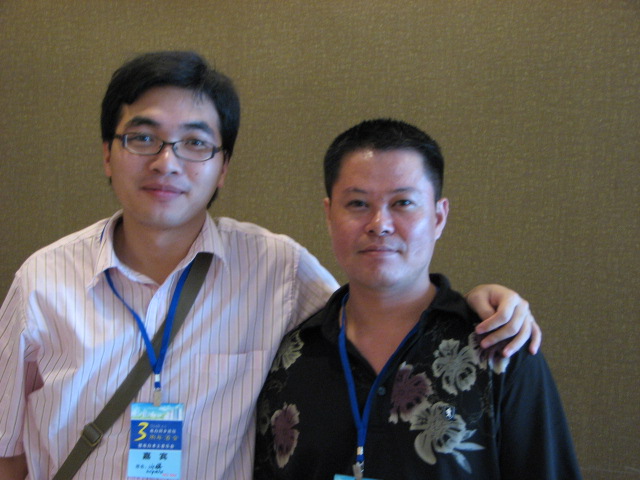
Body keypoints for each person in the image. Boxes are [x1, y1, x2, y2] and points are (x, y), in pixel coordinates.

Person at [0, 52, 539, 480]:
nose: (166, 162)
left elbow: (373, 307)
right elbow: (7, 454)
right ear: (107, 154)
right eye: (142, 138)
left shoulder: (274, 267)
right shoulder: (42, 281)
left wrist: (475, 304)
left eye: (195, 143)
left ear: (222, 168)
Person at [254, 119, 581, 480]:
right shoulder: (291, 357)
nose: (379, 223)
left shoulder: (499, 348)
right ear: (330, 216)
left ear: (438, 217)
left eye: (403, 203)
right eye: (358, 203)